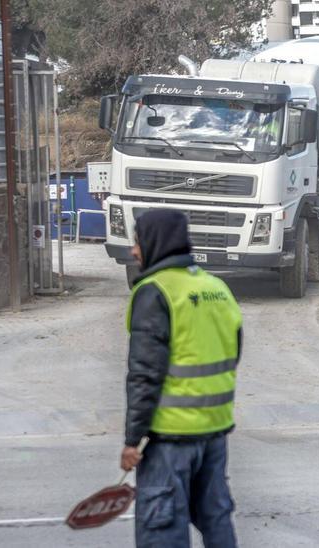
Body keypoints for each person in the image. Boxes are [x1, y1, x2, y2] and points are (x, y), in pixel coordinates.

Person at [121, 209, 242, 548]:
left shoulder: (155, 292)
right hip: (214, 433)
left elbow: (145, 375)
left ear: (155, 242)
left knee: (162, 531)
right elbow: (233, 351)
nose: (134, 250)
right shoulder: (216, 288)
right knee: (217, 521)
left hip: (170, 440)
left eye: (137, 241)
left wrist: (133, 440)